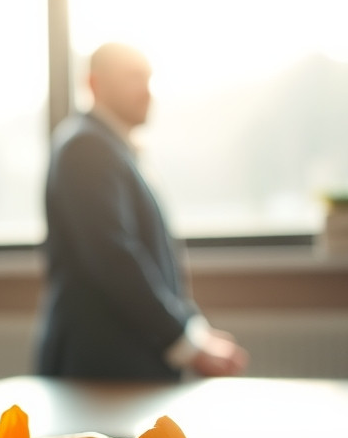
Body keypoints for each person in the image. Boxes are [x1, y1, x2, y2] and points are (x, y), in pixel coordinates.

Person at [34, 43, 248, 380]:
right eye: (133, 78)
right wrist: (186, 343)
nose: (146, 91)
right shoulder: (86, 148)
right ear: (94, 84)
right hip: (101, 370)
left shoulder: (112, 148)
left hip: (119, 367)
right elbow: (114, 258)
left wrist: (194, 331)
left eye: (148, 78)